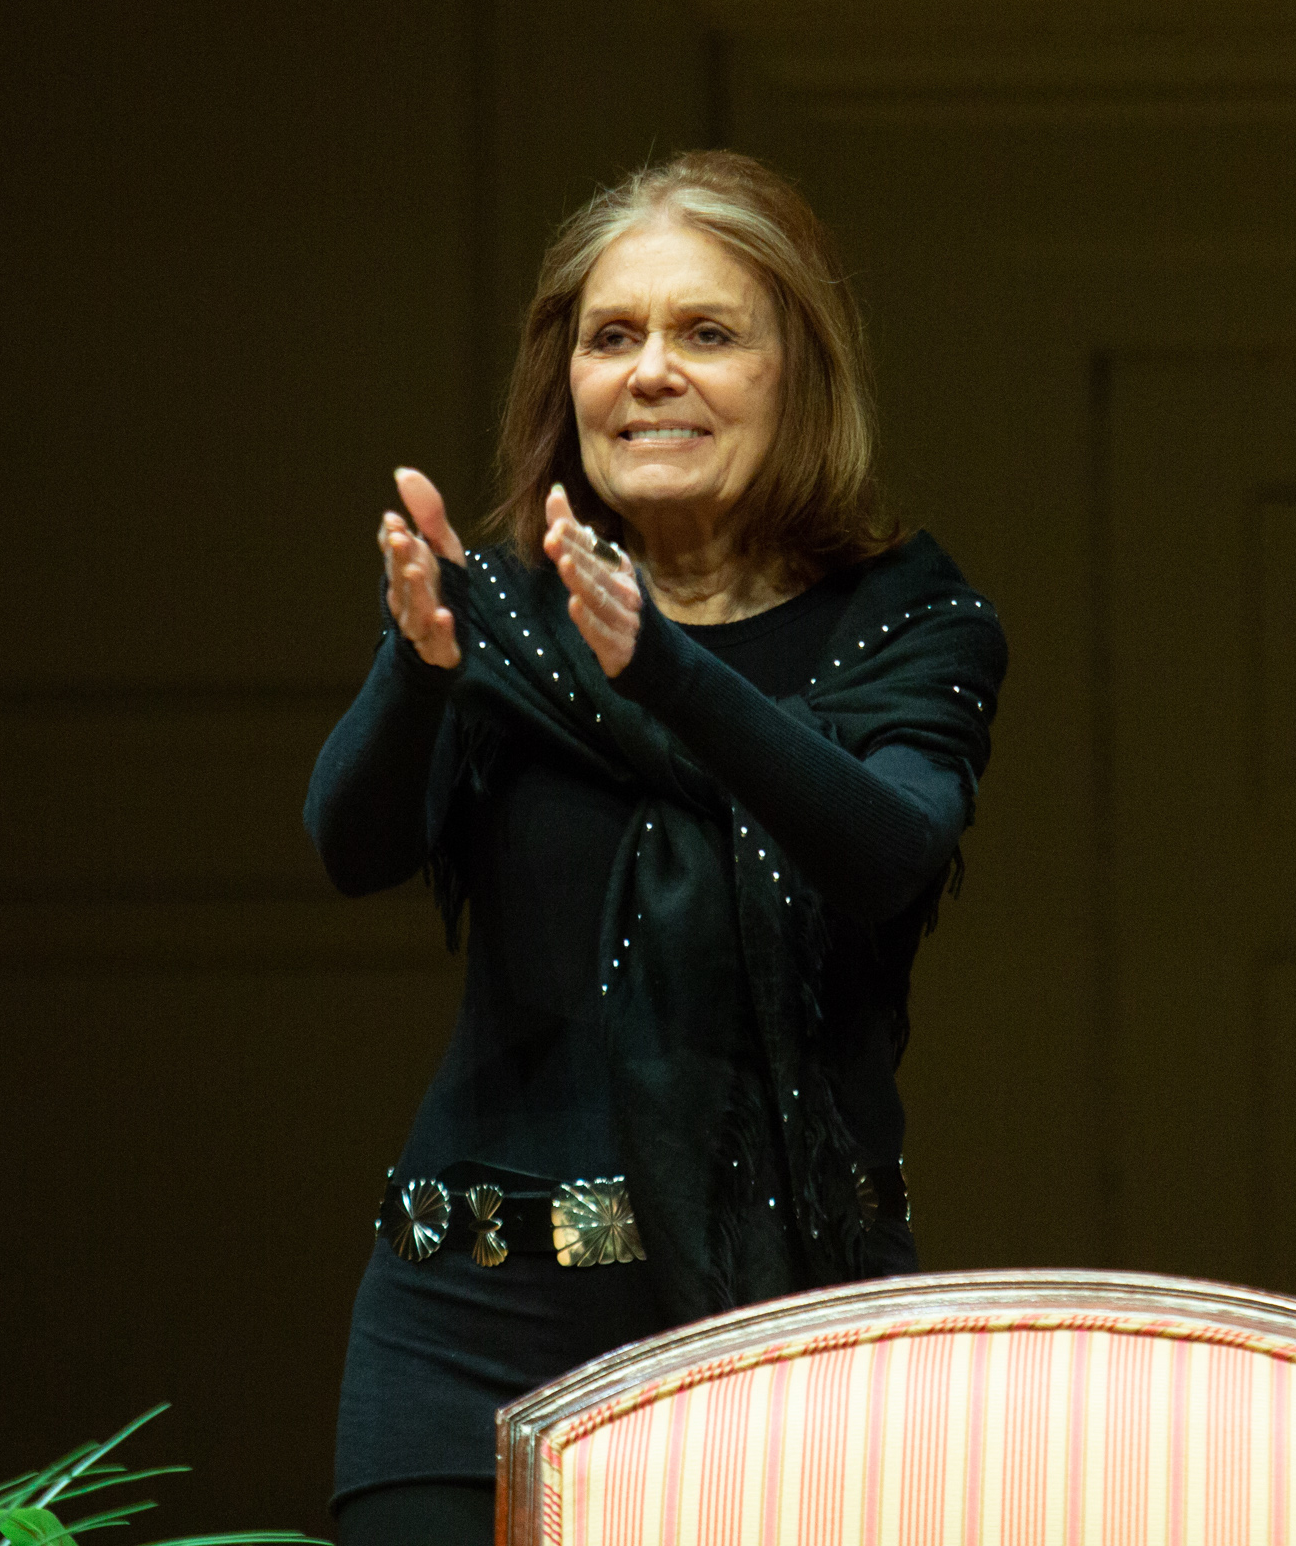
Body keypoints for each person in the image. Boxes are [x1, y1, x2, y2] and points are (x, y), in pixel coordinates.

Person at [304, 151, 1007, 1546]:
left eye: (707, 334)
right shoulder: (500, 614)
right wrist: (420, 665)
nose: (651, 372)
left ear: (797, 372)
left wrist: (671, 673)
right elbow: (348, 844)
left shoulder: (913, 628)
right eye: (612, 337)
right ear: (563, 381)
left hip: (786, 1324)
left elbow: (890, 857)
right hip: (468, 1333)